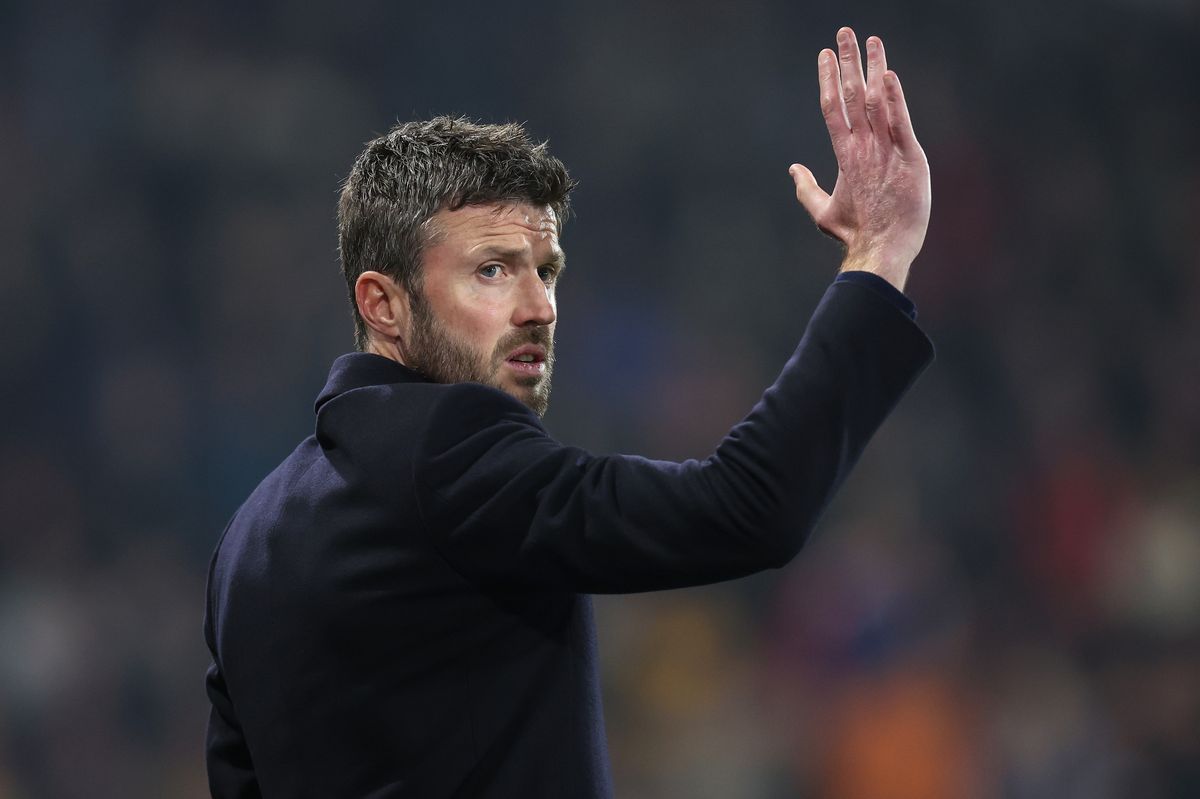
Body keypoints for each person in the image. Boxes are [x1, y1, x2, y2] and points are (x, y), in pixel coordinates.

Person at [204, 26, 933, 798]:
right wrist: (878, 260)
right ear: (383, 304)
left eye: (545, 270)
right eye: (492, 270)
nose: (540, 307)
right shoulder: (448, 448)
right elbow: (746, 507)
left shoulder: (246, 541)